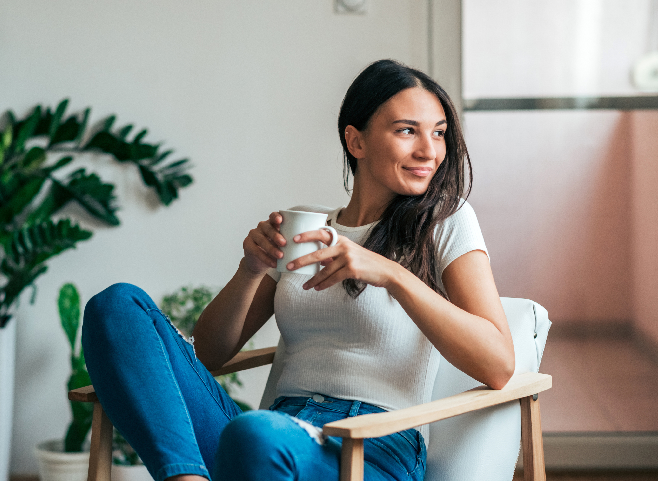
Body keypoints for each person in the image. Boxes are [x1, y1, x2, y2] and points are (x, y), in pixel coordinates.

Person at [82, 59, 515, 481]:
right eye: (407, 131)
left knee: (256, 433)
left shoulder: (444, 221)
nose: (430, 151)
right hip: (275, 435)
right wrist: (250, 270)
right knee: (116, 306)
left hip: (373, 445)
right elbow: (209, 356)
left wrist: (392, 274)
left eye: (438, 133)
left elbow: (497, 364)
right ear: (356, 141)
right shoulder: (307, 225)